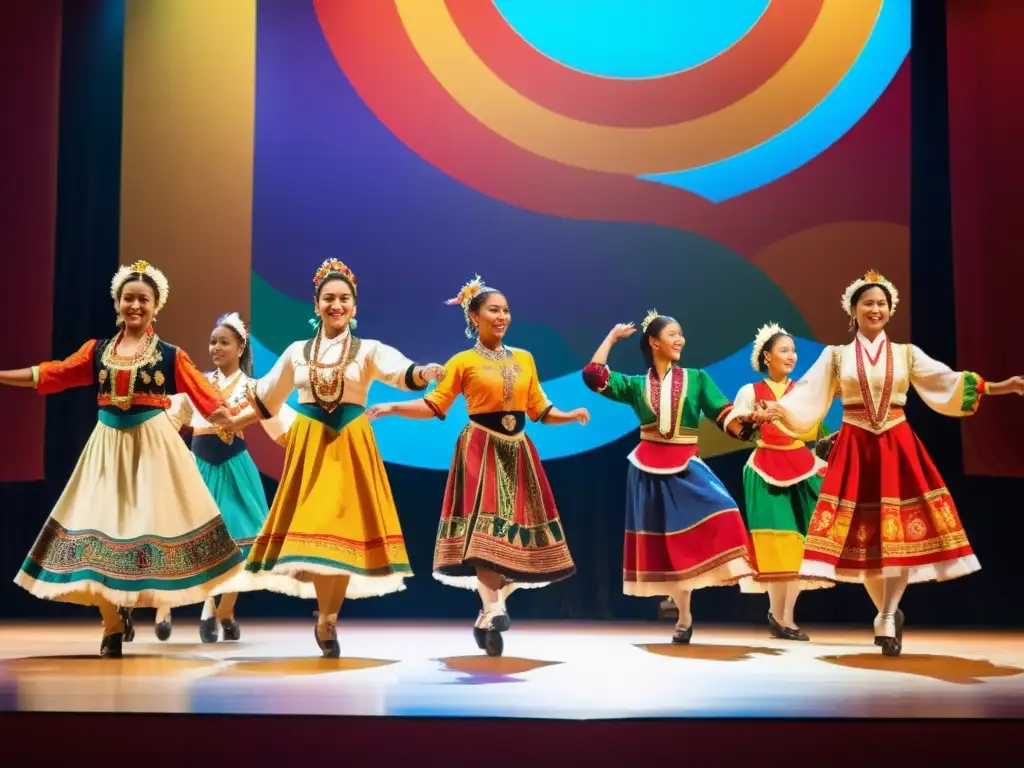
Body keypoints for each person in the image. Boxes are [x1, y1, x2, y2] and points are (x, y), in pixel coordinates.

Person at [758, 270, 1024, 655]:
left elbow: (946, 382)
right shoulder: (836, 356)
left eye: (882, 304)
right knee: (864, 540)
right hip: (855, 448)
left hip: (896, 446)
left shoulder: (906, 354)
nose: (875, 309)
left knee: (895, 532)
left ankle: (886, 614)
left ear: (890, 310)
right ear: (853, 309)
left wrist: (1002, 386)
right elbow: (808, 397)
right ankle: (884, 611)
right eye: (868, 303)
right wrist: (776, 410)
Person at [0, 261, 243, 658]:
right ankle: (112, 623)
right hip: (107, 449)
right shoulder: (97, 352)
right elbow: (54, 374)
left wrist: (228, 416)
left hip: (153, 449)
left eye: (143, 300)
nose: (135, 305)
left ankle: (130, 606)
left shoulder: (169, 355)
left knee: (144, 529)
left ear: (155, 305)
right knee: (94, 528)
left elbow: (207, 397)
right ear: (117, 302)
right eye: (128, 298)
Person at [214, 259, 444, 658]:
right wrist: (235, 421)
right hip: (310, 448)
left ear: (355, 306)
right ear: (316, 304)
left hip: (350, 446)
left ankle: (327, 618)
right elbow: (267, 400)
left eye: (344, 299)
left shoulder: (368, 350)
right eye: (329, 298)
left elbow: (401, 371)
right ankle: (326, 616)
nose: (336, 305)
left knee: (343, 535)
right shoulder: (296, 353)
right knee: (318, 530)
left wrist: (425, 372)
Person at [367, 276, 588, 657]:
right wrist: (393, 407)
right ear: (474, 315)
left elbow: (539, 409)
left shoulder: (524, 359)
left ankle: (488, 610)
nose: (502, 316)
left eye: (506, 310)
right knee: (484, 536)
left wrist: (568, 416)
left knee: (520, 542)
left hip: (519, 452)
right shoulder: (462, 362)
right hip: (480, 450)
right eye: (493, 310)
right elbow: (434, 405)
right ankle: (495, 607)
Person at [582, 312, 756, 644]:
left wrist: (748, 421)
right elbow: (594, 376)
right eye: (674, 334)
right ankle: (683, 614)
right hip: (648, 468)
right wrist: (612, 337)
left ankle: (689, 606)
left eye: (681, 334)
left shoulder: (697, 378)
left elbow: (725, 414)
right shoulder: (636, 385)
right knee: (666, 545)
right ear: (654, 341)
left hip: (686, 465)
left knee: (727, 512)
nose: (681, 340)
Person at [154, 312, 294, 643]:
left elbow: (280, 423)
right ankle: (193, 606)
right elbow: (174, 418)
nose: (216, 347)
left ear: (240, 346)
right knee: (198, 539)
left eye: (223, 342)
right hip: (199, 467)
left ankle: (224, 610)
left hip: (234, 469)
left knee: (239, 542)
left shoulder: (253, 387)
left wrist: (311, 441)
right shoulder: (198, 382)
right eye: (213, 341)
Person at [724, 324, 832, 641]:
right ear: (767, 356)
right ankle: (779, 616)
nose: (791, 356)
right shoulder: (750, 392)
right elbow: (735, 426)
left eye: (793, 350)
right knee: (775, 544)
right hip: (765, 469)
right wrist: (751, 420)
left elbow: (814, 433)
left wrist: (821, 461)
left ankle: (786, 617)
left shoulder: (802, 392)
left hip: (802, 468)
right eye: (784, 350)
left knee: (800, 546)